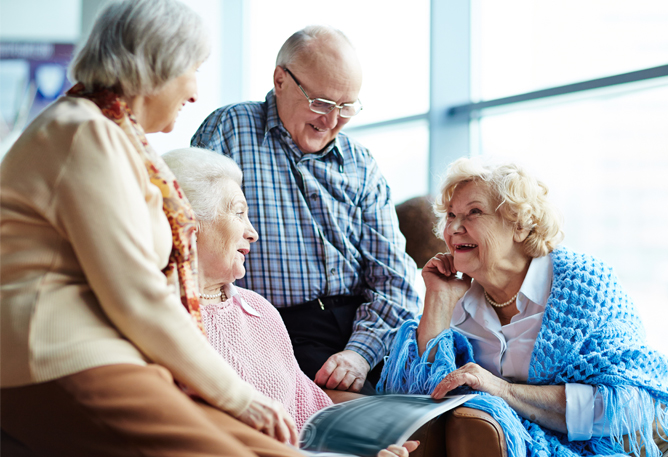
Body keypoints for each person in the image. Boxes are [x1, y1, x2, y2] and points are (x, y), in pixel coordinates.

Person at [0, 1, 301, 455]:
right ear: (157, 66)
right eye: (193, 70)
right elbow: (137, 295)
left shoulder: (115, 138)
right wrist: (239, 396)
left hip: (110, 354)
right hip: (56, 355)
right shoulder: (82, 132)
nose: (196, 92)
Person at [378, 158, 668, 457]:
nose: (453, 228)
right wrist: (437, 300)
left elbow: (626, 406)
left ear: (520, 223)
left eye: (473, 212)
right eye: (450, 215)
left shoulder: (584, 283)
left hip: (652, 439)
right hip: (546, 443)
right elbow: (419, 401)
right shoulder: (455, 295)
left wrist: (504, 390)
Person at [191, 25, 421, 394]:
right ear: (280, 80)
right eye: (322, 103)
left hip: (363, 329)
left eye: (346, 107)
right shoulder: (231, 128)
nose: (332, 121)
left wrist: (360, 355)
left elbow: (396, 280)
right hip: (270, 328)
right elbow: (195, 239)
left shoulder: (361, 163)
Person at [162, 147, 417, 457]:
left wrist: (367, 446)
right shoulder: (160, 317)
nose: (252, 233)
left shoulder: (261, 312)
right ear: (189, 220)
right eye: (239, 213)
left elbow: (309, 414)